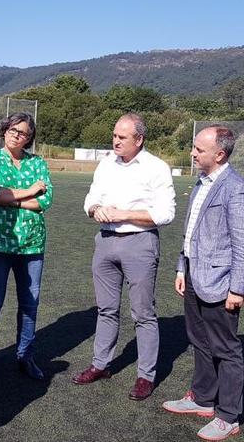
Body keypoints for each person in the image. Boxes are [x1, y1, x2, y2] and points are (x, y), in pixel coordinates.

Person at [162, 125, 244, 441]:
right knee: (199, 340)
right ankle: (203, 399)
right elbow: (192, 233)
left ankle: (228, 415)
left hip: (220, 282)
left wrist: (238, 288)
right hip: (193, 275)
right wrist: (181, 268)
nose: (192, 153)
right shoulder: (202, 182)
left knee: (226, 349)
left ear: (219, 154)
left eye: (199, 149)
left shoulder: (237, 189)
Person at [73, 113, 176, 401]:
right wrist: (96, 209)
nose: (115, 140)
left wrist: (125, 214)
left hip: (140, 243)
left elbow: (166, 213)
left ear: (139, 139)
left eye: (122, 136)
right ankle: (100, 365)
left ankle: (146, 375)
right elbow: (90, 198)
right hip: (105, 241)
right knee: (106, 309)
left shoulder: (157, 168)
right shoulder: (106, 164)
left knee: (143, 313)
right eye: (114, 135)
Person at [0, 112, 53, 382]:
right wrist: (31, 191)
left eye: (23, 132)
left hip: (31, 245)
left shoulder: (38, 163)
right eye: (12, 129)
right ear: (4, 130)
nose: (16, 135)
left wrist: (12, 199)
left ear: (30, 138)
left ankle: (25, 355)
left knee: (29, 304)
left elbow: (47, 200)